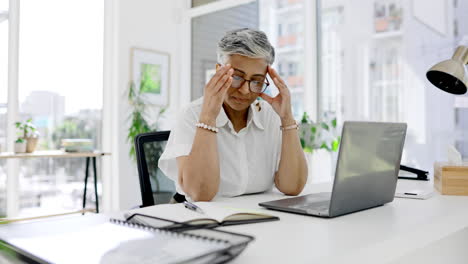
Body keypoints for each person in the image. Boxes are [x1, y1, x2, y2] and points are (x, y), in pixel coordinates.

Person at [159, 28, 307, 202]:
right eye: (236, 77)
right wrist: (208, 117)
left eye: (256, 81)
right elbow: (200, 193)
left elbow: (292, 187)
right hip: (203, 218)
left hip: (260, 219)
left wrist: (287, 119)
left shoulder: (270, 115)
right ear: (219, 71)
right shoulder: (192, 115)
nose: (245, 90)